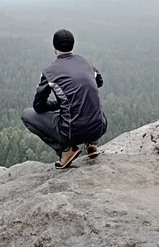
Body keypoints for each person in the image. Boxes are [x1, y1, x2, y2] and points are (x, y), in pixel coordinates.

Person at [21, 29, 108, 169]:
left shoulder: (50, 72)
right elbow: (99, 83)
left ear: (54, 47)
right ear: (73, 45)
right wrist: (64, 103)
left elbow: (38, 106)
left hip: (71, 133)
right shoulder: (86, 63)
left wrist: (58, 104)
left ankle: (66, 150)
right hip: (99, 127)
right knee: (91, 100)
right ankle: (91, 143)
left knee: (27, 114)